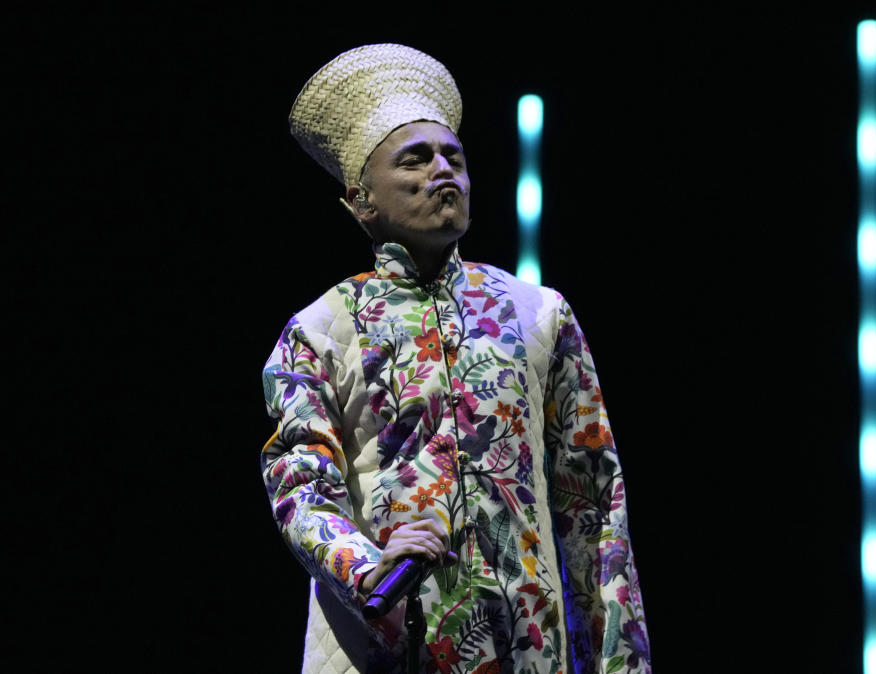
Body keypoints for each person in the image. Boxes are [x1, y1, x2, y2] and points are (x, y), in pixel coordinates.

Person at [261, 43, 652, 674]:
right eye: (415, 160)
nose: (444, 172)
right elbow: (300, 486)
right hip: (385, 638)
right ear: (361, 200)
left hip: (528, 643)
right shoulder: (317, 330)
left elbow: (593, 504)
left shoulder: (539, 314)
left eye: (454, 157)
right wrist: (363, 565)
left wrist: (619, 662)